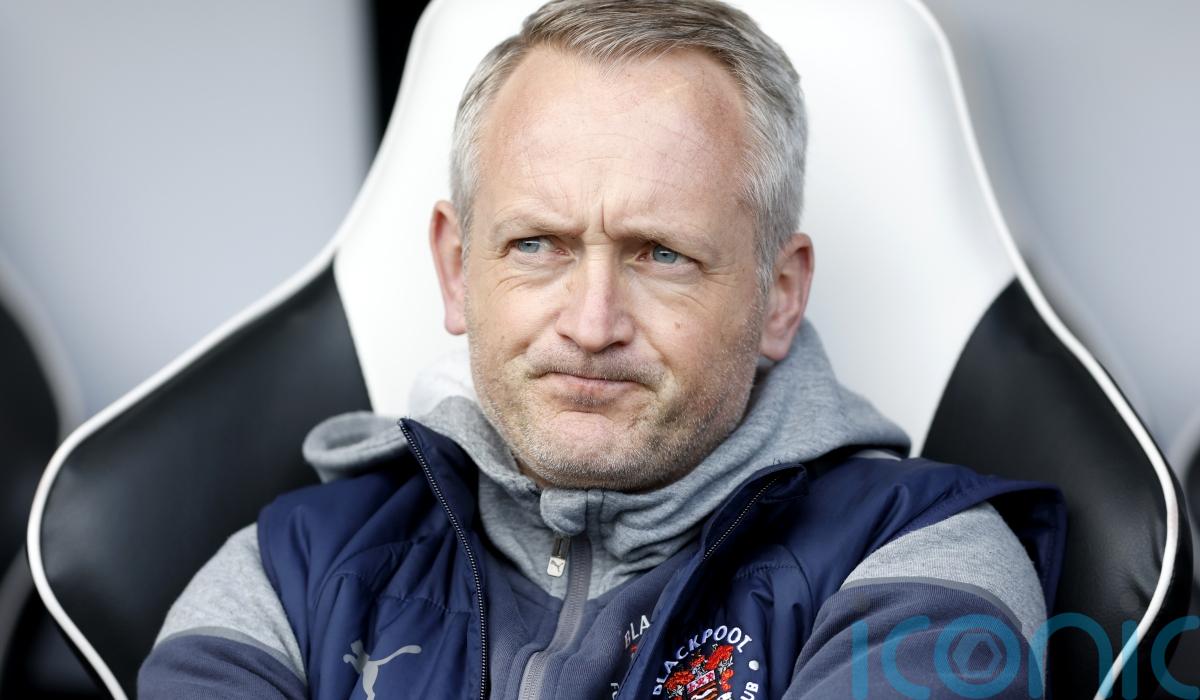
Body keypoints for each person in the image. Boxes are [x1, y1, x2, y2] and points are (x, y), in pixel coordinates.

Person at [139, 0, 1065, 698]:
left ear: (778, 295)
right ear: (457, 271)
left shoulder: (923, 562)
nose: (591, 323)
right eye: (536, 245)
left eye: (661, 254)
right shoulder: (288, 574)